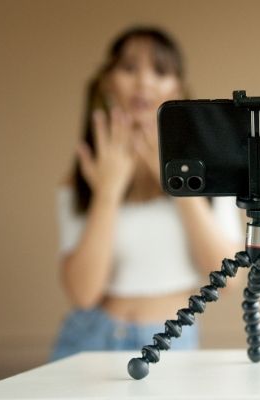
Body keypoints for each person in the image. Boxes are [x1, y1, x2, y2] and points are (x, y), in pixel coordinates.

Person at [51, 27, 242, 361]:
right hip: (89, 339)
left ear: (177, 88)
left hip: (171, 341)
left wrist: (177, 182)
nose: (143, 82)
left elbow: (230, 280)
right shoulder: (84, 176)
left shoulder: (209, 170)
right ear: (108, 82)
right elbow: (83, 294)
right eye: (129, 68)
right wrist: (108, 192)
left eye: (160, 71)